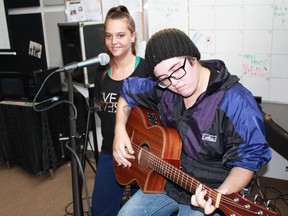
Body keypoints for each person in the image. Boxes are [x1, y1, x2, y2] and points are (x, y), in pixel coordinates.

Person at [113, 28, 272, 215]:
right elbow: (128, 91)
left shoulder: (236, 101)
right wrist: (119, 130)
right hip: (168, 181)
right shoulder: (164, 89)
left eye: (177, 70)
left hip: (211, 189)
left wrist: (222, 193)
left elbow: (248, 160)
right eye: (164, 79)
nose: (175, 82)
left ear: (193, 57)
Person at [91, 5, 147, 216]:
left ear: (133, 37)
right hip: (110, 152)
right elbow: (102, 109)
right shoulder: (102, 72)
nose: (114, 42)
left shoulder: (146, 70)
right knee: (100, 210)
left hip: (143, 156)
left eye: (121, 35)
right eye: (109, 36)